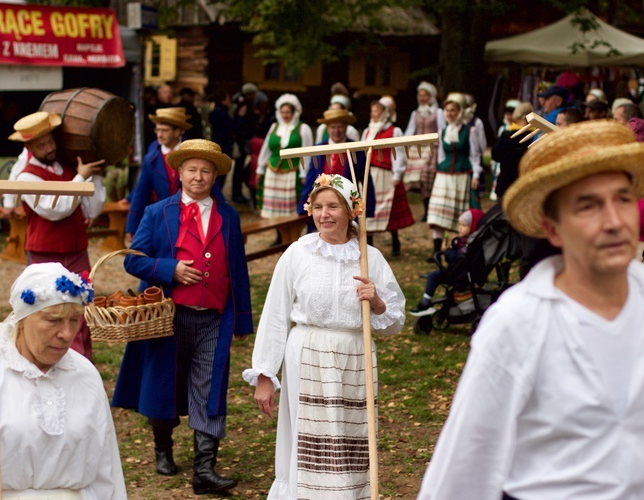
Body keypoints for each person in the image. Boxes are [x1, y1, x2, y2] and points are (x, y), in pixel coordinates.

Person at [417, 120, 644, 499]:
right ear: (552, 228)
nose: (614, 220)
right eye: (588, 205)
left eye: (622, 199)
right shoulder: (517, 323)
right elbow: (463, 474)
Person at [244, 173, 405, 499]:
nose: (324, 214)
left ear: (350, 211)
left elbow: (394, 323)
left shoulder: (369, 257)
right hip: (308, 357)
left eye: (333, 206)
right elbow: (275, 314)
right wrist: (264, 373)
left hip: (353, 359)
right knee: (310, 440)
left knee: (348, 438)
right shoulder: (297, 253)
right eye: (318, 206)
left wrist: (375, 300)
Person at [112, 139, 252, 495]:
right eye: (192, 169)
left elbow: (237, 267)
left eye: (206, 170)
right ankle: (163, 448)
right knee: (165, 385)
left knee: (210, 388)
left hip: (214, 319)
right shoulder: (158, 213)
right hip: (169, 317)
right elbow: (133, 259)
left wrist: (242, 320)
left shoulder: (229, 215)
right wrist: (169, 268)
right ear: (180, 172)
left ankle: (204, 469)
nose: (199, 176)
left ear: (215, 175)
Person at [0, 262, 126, 498]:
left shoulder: (85, 375)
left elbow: (105, 470)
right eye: (53, 320)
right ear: (22, 320)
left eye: (73, 320)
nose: (66, 334)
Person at [4, 111, 106, 361]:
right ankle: (41, 364)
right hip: (44, 254)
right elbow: (55, 210)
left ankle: (81, 368)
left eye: (51, 141)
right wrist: (80, 178)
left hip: (77, 252)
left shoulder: (67, 166)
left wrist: (95, 175)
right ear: (28, 147)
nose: (49, 148)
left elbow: (92, 208)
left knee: (80, 312)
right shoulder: (26, 176)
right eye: (42, 145)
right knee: (45, 312)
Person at [126, 107, 203, 242]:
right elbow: (141, 192)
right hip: (163, 220)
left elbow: (210, 186)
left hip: (193, 219)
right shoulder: (151, 158)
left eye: (164, 130)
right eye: (157, 130)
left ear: (178, 131)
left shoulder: (194, 152)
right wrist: (132, 226)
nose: (159, 134)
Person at [425, 93, 483, 261]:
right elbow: (442, 155)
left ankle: (456, 247)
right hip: (444, 175)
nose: (450, 113)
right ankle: (436, 250)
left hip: (462, 175)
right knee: (437, 213)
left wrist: (476, 174)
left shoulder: (469, 131)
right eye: (448, 110)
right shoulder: (443, 131)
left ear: (460, 111)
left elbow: (475, 155)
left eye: (453, 110)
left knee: (456, 214)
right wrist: (441, 169)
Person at [298, 108, 375, 228]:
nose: (336, 131)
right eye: (333, 127)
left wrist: (368, 209)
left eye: (340, 127)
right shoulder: (318, 149)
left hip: (346, 206)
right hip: (322, 206)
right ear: (327, 128)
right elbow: (311, 179)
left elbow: (366, 181)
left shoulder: (357, 150)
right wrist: (303, 207)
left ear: (346, 128)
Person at [362, 96, 414, 256]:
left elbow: (398, 153)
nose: (373, 114)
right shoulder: (368, 131)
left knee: (388, 208)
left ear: (385, 113)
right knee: (368, 207)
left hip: (385, 173)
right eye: (372, 111)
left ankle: (395, 242)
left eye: (377, 111)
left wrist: (397, 174)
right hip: (370, 174)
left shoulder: (394, 131)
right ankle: (369, 245)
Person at [410, 208, 483, 315]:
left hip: (461, 275)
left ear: (473, 226)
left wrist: (447, 251)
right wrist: (449, 250)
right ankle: (428, 302)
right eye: (459, 225)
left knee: (433, 276)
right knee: (434, 275)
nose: (460, 228)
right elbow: (452, 258)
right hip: (457, 271)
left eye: (463, 226)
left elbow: (460, 258)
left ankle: (426, 302)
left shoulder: (470, 244)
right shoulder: (460, 241)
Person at [256, 94, 313, 221]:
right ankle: (278, 234)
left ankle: (289, 235)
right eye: (283, 112)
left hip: (291, 172)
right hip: (272, 172)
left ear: (295, 112)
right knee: (273, 206)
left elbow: (306, 153)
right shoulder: (274, 127)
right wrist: (260, 169)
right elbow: (266, 149)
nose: (285, 115)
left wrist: (304, 174)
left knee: (290, 207)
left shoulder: (303, 128)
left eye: (288, 112)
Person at [403, 81, 446, 217]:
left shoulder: (438, 112)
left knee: (426, 178)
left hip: (430, 149)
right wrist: (404, 146)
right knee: (414, 180)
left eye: (425, 96)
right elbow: (410, 130)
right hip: (416, 150)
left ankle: (429, 210)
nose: (422, 98)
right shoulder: (415, 113)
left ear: (431, 97)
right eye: (420, 95)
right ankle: (423, 208)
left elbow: (442, 130)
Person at [491, 102, 533, 199]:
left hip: (506, 184)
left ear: (517, 118)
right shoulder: (536, 137)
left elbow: (495, 155)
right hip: (526, 185)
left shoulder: (507, 135)